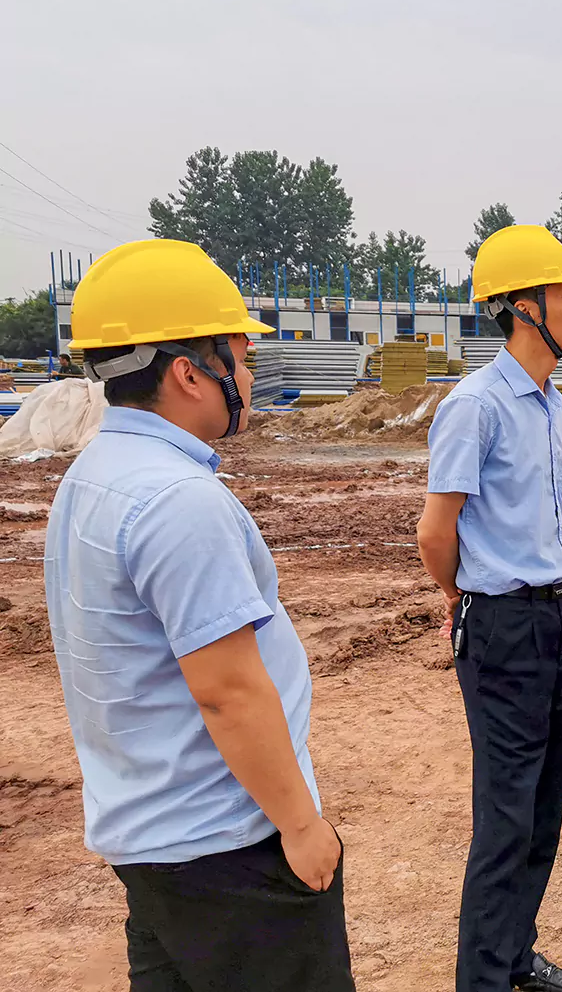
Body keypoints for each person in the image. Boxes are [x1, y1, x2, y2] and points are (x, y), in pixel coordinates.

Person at [43, 238, 353, 991]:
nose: (248, 376)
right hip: (229, 849)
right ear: (189, 372)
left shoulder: (92, 476)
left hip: (153, 841)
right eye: (239, 358)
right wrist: (302, 826)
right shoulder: (179, 500)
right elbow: (228, 691)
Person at [417, 224, 562, 992]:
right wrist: (461, 597)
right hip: (501, 625)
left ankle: (517, 953)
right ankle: (484, 979)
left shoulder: (553, 405)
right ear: (525, 307)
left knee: (543, 804)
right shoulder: (476, 406)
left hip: (555, 616)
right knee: (505, 817)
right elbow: (436, 531)